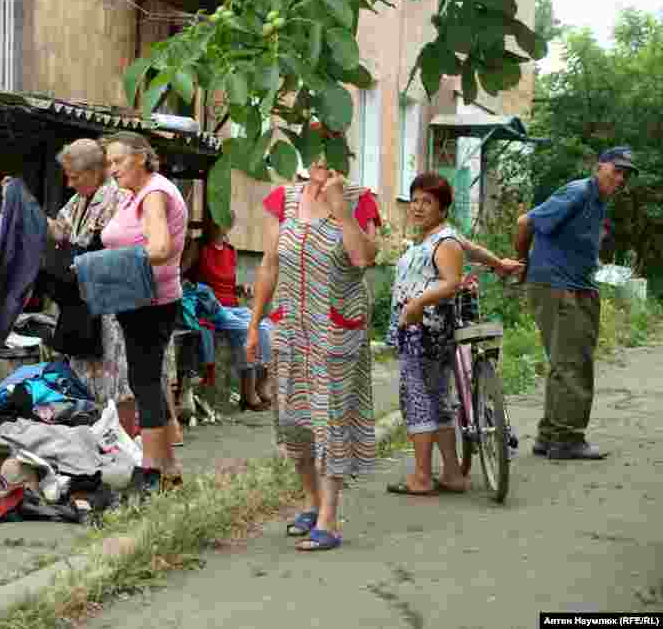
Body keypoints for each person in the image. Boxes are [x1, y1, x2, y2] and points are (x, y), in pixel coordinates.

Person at [247, 139, 380, 552]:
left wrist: (342, 211)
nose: (321, 161)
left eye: (331, 153)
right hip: (291, 328)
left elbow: (364, 258)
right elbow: (269, 264)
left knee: (330, 420)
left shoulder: (361, 200)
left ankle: (329, 518)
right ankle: (310, 501)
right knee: (293, 420)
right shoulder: (282, 200)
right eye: (315, 151)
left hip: (336, 328)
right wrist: (254, 325)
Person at [386, 173, 524, 496]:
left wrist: (417, 303)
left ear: (443, 208)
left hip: (424, 331)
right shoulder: (441, 237)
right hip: (424, 330)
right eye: (415, 200)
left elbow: (451, 282)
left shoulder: (442, 241)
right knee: (437, 400)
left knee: (418, 401)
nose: (418, 207)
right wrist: (499, 265)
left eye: (428, 202)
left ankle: (421, 476)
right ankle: (451, 473)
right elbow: (472, 249)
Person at [43, 139, 185, 446]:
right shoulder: (80, 202)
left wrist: (99, 260)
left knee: (131, 380)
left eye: (75, 176)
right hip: (103, 296)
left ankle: (141, 450)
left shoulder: (129, 195)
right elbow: (64, 231)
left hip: (129, 294)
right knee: (135, 377)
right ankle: (153, 457)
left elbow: (153, 246)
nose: (70, 183)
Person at [514, 146, 635, 460]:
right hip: (557, 287)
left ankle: (549, 436)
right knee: (572, 366)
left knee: (565, 363)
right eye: (616, 170)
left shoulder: (597, 201)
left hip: (576, 286)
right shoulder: (579, 192)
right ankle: (567, 439)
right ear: (599, 167)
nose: (620, 178)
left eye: (625, 174)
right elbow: (525, 222)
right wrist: (522, 261)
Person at [100, 131, 188, 495]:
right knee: (146, 379)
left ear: (140, 157)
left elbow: (161, 247)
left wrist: (106, 263)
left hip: (152, 303)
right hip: (138, 302)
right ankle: (170, 470)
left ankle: (150, 471)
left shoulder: (154, 193)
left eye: (118, 161)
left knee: (145, 383)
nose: (112, 168)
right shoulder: (136, 194)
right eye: (109, 162)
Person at [182, 208, 274, 410]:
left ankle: (263, 384)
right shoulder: (199, 246)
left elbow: (228, 283)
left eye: (223, 223)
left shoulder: (231, 251)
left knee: (267, 327)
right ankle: (248, 394)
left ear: (229, 226)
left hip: (232, 306)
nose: (218, 227)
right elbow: (182, 273)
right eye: (216, 222)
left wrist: (241, 288)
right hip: (211, 307)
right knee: (246, 329)